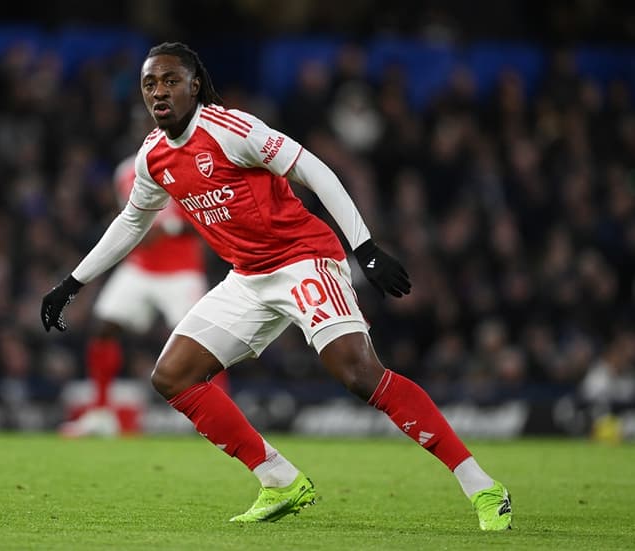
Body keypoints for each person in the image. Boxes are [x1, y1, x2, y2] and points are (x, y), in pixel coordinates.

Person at [41, 42, 512, 530]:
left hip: (303, 260)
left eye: (170, 80)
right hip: (248, 277)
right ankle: (279, 479)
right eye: (149, 84)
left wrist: (365, 247)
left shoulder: (230, 129)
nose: (159, 92)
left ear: (194, 85)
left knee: (358, 373)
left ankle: (483, 487)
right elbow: (131, 223)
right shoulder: (153, 157)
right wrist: (72, 283)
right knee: (173, 376)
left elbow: (314, 169)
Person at [61, 145, 229, 437]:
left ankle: (220, 420)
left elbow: (210, 216)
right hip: (139, 267)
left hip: (181, 270)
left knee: (204, 340)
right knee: (103, 328)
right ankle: (101, 413)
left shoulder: (189, 164)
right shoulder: (126, 170)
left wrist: (167, 229)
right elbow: (126, 216)